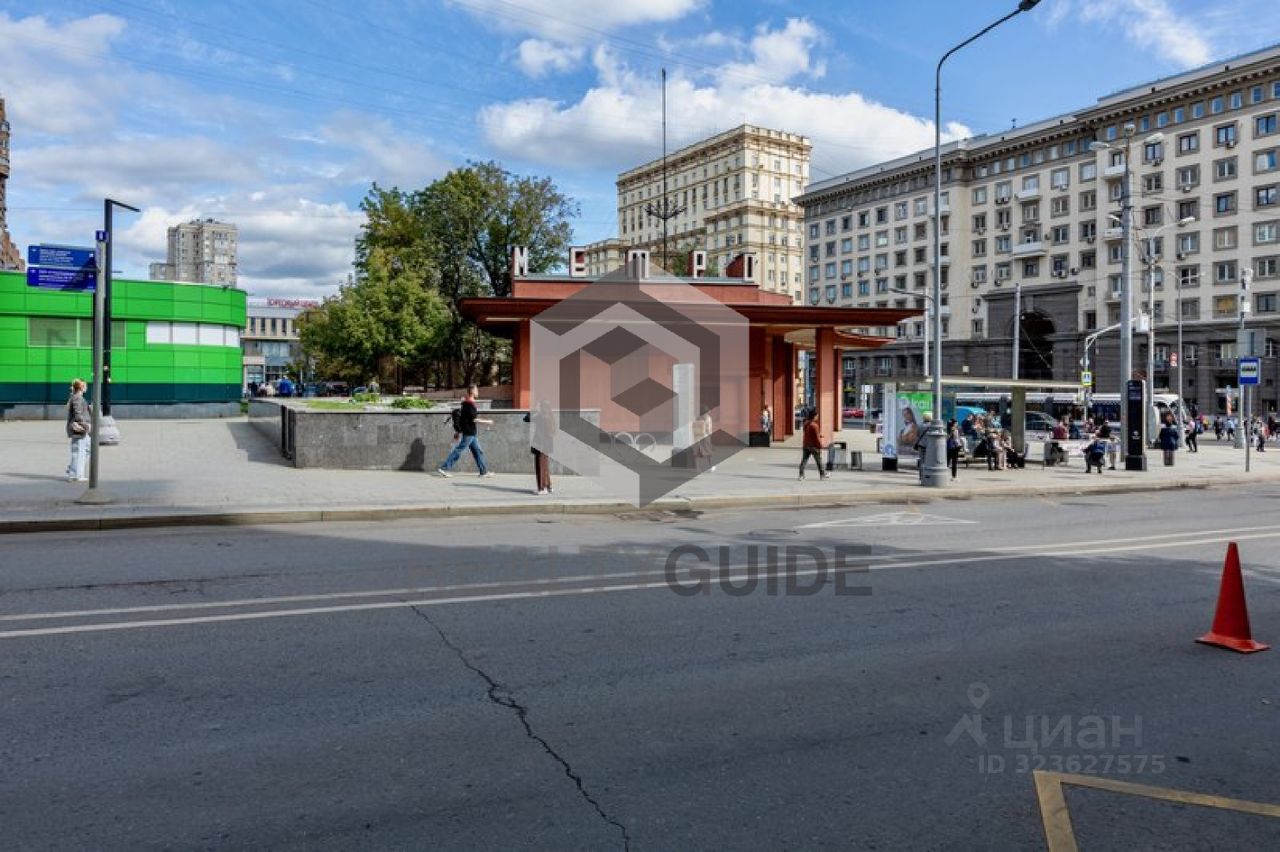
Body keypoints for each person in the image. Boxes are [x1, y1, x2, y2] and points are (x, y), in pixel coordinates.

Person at [436, 385, 494, 477]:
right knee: (459, 450)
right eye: (476, 390)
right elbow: (474, 419)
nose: (478, 392)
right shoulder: (469, 404)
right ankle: (444, 468)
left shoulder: (467, 403)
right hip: (469, 432)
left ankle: (483, 472)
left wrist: (458, 431)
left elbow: (463, 418)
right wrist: (488, 422)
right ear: (472, 391)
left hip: (471, 432)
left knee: (477, 451)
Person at [523, 400, 554, 495]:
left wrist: (532, 410)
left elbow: (526, 419)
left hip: (540, 444)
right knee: (545, 466)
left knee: (540, 466)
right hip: (547, 444)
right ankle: (548, 486)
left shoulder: (540, 416)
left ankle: (542, 488)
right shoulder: (550, 415)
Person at [65, 378, 91, 482]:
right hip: (79, 428)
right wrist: (86, 426)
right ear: (81, 387)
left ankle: (73, 469)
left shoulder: (77, 397)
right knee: (78, 451)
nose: (87, 387)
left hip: (81, 428)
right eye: (85, 385)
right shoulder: (77, 398)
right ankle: (75, 474)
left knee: (87, 449)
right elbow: (78, 414)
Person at [798, 410, 828, 481]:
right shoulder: (815, 426)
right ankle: (822, 475)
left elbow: (808, 433)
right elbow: (816, 438)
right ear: (814, 416)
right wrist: (820, 446)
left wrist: (818, 435)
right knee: (818, 461)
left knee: (804, 460)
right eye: (817, 416)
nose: (817, 417)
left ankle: (801, 475)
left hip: (806, 444)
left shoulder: (805, 424)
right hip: (814, 446)